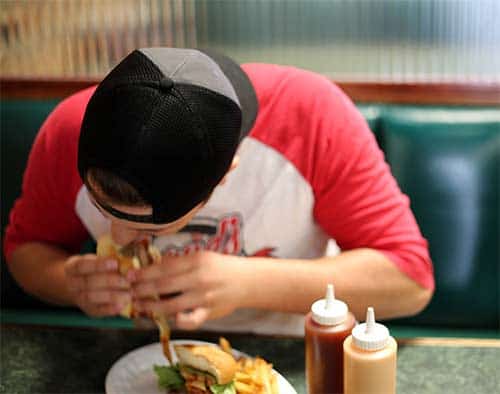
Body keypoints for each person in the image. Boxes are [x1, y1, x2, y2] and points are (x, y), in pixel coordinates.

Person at [4, 48, 434, 336]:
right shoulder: (67, 130)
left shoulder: (311, 115)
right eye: (104, 210)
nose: (117, 238)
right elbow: (25, 248)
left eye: (154, 226)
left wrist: (244, 282)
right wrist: (69, 284)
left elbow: (409, 282)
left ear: (226, 173)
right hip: (133, 356)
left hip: (288, 357)